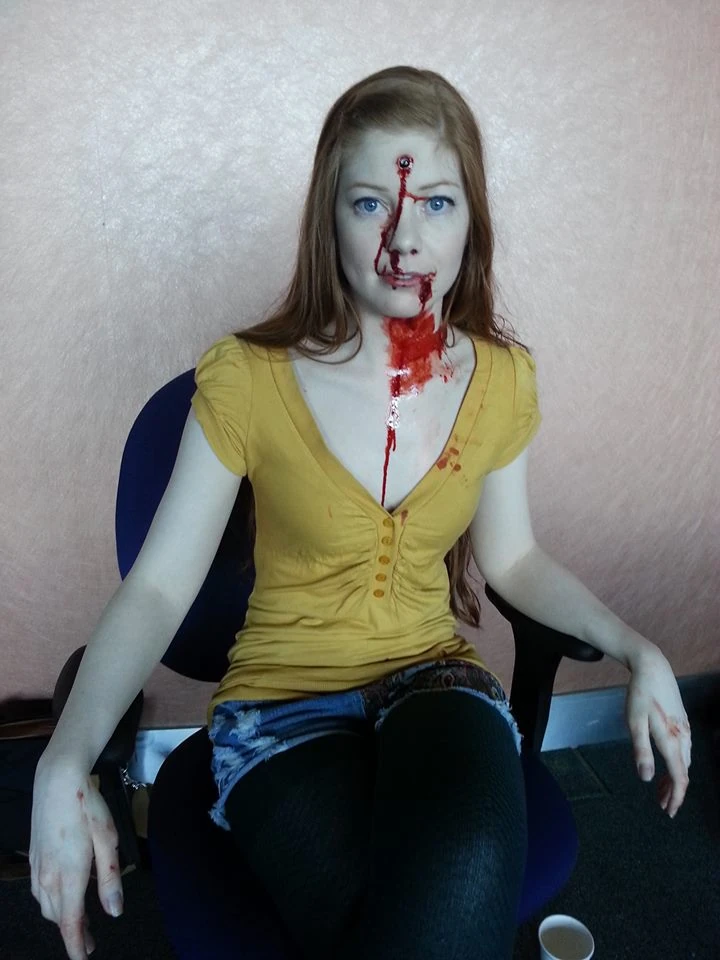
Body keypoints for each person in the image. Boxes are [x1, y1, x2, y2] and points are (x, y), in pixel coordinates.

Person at [29, 65, 692, 960]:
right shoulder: (247, 378)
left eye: (438, 204)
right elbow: (157, 588)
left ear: (472, 220)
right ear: (329, 220)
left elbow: (514, 558)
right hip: (281, 706)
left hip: (434, 680)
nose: (405, 238)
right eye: (372, 203)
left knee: (461, 870)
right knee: (388, 927)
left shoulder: (501, 380)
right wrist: (64, 758)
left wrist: (637, 648)